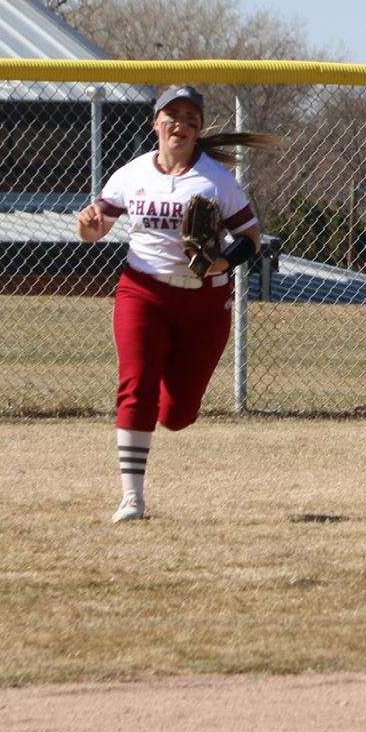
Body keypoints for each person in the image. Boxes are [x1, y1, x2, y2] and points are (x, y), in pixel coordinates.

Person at [75, 85, 268, 523]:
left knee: (177, 414)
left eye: (190, 118)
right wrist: (86, 225)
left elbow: (251, 239)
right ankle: (132, 498)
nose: (180, 124)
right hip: (143, 291)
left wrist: (223, 258)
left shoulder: (217, 181)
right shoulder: (132, 174)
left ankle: (161, 397)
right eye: (172, 116)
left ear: (199, 129)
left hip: (204, 299)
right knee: (135, 386)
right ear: (156, 123)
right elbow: (96, 228)